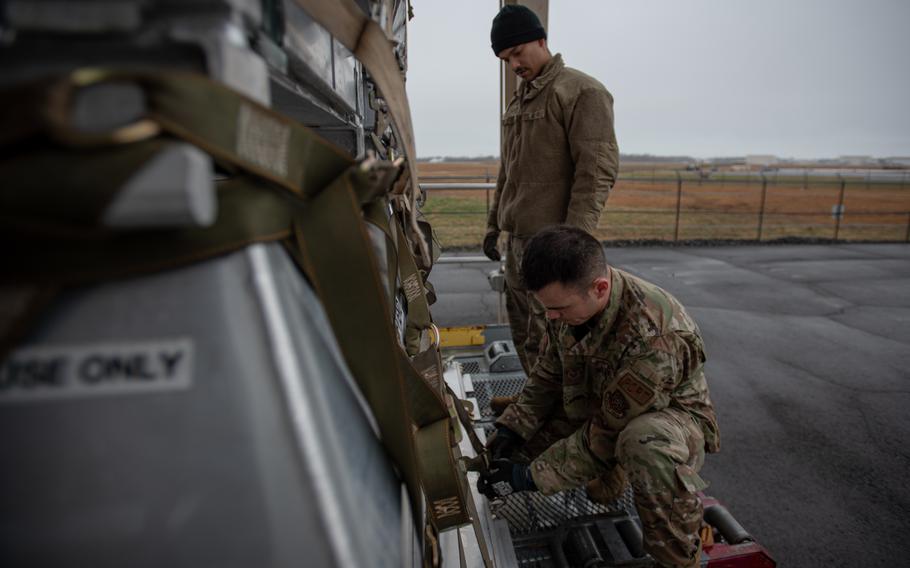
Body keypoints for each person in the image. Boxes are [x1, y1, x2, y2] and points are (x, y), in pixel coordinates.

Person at [477, 225, 720, 568]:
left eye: (558, 309)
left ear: (600, 288)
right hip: (603, 404)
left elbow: (607, 432)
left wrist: (528, 477)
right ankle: (605, 474)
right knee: (510, 453)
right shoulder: (568, 303)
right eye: (547, 309)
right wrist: (510, 431)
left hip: (669, 420)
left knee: (642, 444)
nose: (551, 318)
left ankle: (679, 558)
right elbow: (547, 377)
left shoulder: (656, 334)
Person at [484, 4, 619, 375]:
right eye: (504, 59)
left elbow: (596, 173)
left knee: (557, 341)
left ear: (541, 40)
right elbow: (509, 171)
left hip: (552, 244)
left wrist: (572, 242)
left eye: (516, 53)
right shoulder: (521, 98)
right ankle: (536, 409)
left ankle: (566, 418)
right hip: (518, 242)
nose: (513, 65)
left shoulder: (580, 91)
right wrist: (494, 225)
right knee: (527, 337)